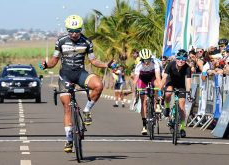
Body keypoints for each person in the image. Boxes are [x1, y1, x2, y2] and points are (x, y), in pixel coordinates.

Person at [38, 15, 116, 153]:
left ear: (80, 30)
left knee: (99, 85)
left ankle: (86, 110)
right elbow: (54, 60)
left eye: (77, 31)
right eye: (71, 31)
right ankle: (68, 140)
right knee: (67, 107)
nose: (74, 34)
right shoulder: (61, 41)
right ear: (67, 30)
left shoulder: (86, 42)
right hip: (65, 76)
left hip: (80, 74)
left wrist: (105, 64)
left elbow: (93, 61)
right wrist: (46, 65)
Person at [160, 49, 192, 138]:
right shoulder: (170, 64)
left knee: (181, 105)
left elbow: (188, 81)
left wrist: (189, 92)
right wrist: (160, 90)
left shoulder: (187, 68)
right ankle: (166, 106)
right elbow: (164, 78)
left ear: (185, 60)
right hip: (171, 82)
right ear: (176, 58)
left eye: (183, 59)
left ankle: (182, 128)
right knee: (168, 93)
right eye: (179, 58)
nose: (181, 61)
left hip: (181, 85)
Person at [132, 49, 161, 135]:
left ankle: (158, 103)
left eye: (148, 59)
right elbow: (135, 79)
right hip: (143, 79)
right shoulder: (139, 65)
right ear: (141, 59)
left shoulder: (155, 63)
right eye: (145, 60)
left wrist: (160, 89)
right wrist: (134, 89)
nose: (147, 62)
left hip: (152, 77)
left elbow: (158, 77)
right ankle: (144, 125)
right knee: (143, 101)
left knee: (156, 84)